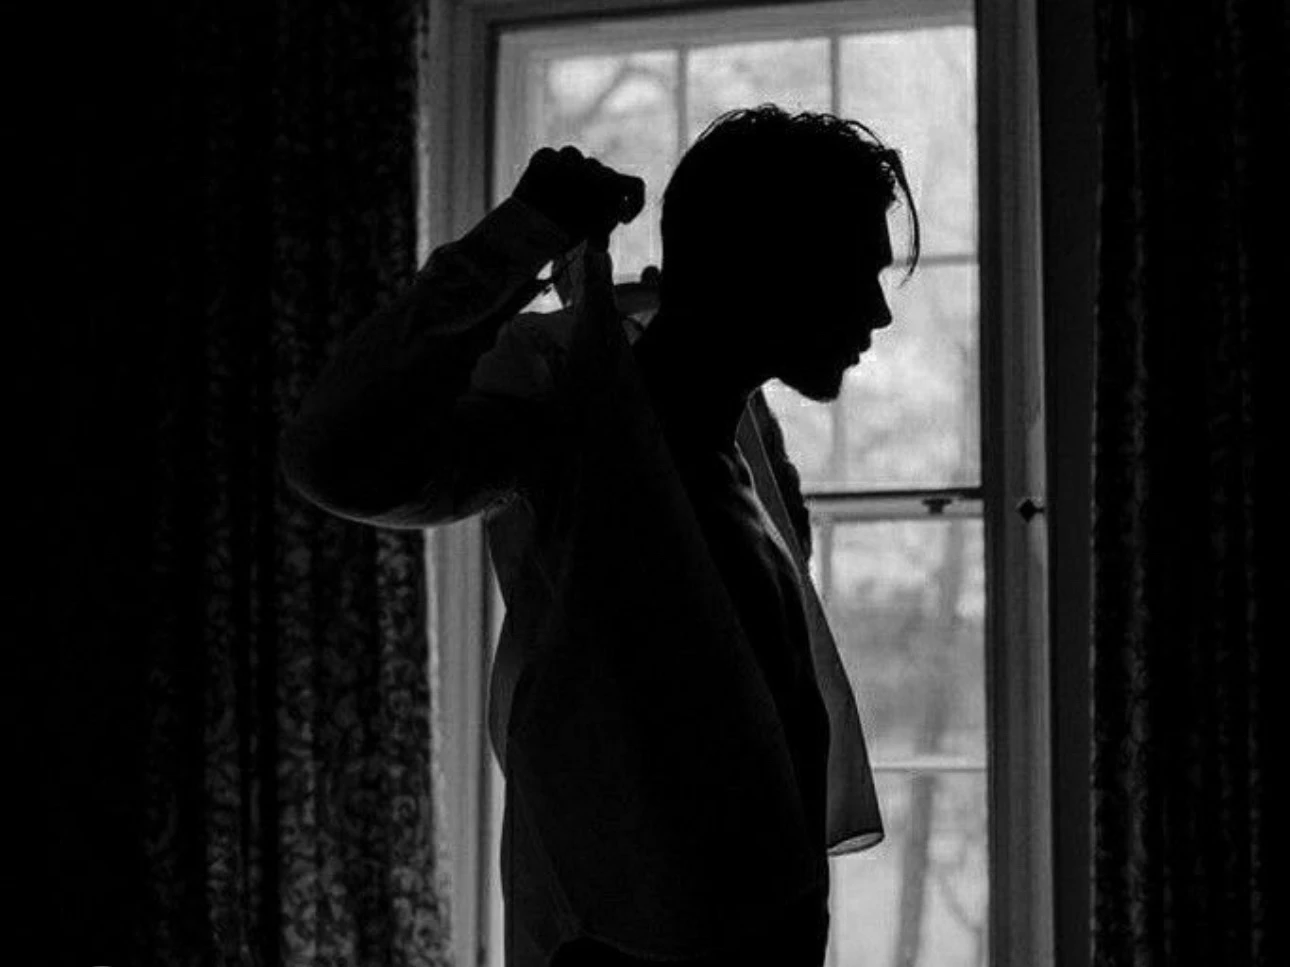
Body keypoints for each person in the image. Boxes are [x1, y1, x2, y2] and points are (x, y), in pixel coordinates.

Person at [279, 103, 919, 967]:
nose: (878, 313)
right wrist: (518, 238)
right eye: (854, 273)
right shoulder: (571, 421)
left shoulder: (745, 446)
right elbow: (334, 459)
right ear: (769, 265)